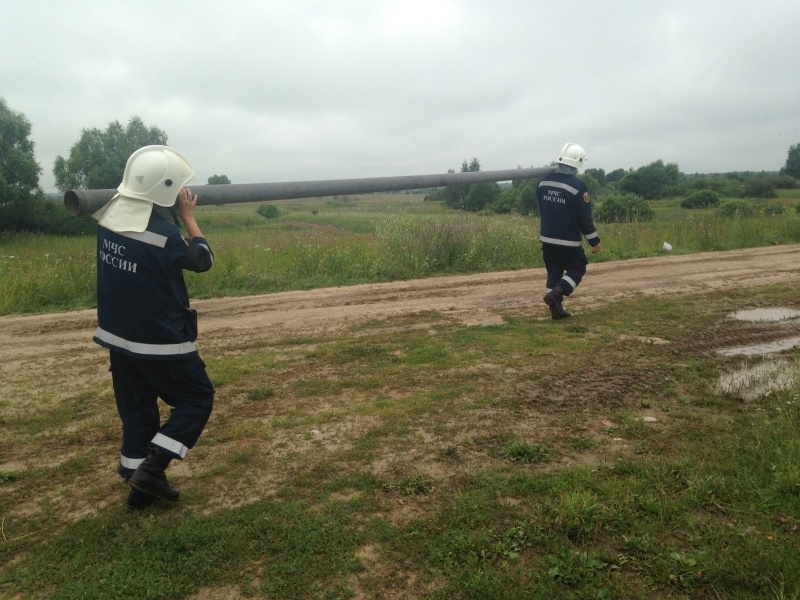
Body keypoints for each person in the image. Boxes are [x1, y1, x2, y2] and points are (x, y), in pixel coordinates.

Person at [91, 145, 215, 511]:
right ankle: (154, 467)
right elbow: (203, 260)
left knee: (138, 411)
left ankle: (138, 491)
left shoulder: (108, 218)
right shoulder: (163, 235)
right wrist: (188, 216)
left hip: (118, 336)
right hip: (162, 341)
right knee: (197, 399)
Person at [537, 143, 601, 319]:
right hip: (569, 241)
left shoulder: (543, 182)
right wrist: (594, 241)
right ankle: (557, 294)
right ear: (578, 163)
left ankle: (555, 311)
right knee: (578, 268)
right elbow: (584, 217)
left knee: (554, 273)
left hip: (547, 239)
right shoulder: (577, 187)